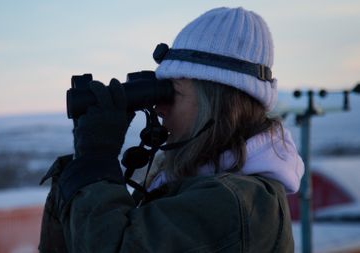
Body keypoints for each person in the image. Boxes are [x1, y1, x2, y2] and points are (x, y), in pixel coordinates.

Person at [39, 7, 304, 253]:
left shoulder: (236, 204)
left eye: (172, 92)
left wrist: (94, 164)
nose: (160, 109)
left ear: (215, 104)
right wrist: (82, 170)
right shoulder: (201, 187)